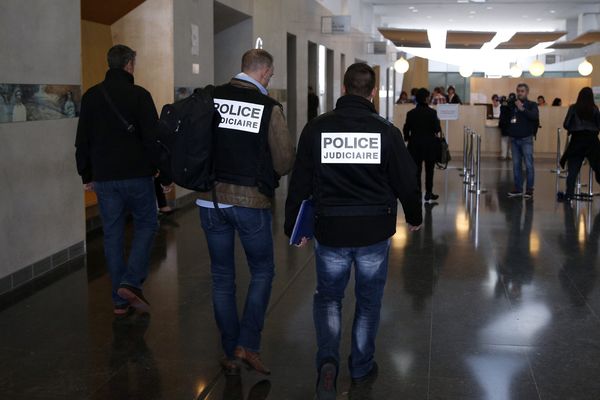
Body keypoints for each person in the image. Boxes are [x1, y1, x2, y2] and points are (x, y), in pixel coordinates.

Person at [284, 63, 422, 400]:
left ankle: (328, 363)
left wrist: (293, 226)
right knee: (369, 301)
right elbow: (406, 179)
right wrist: (414, 215)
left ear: (344, 89)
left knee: (329, 298)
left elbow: (300, 180)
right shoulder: (386, 131)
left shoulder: (316, 128)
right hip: (373, 231)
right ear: (372, 91)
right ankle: (360, 365)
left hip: (331, 229)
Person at [195, 49, 296, 376]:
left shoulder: (210, 98)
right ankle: (247, 344)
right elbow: (283, 160)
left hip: (210, 200)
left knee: (222, 277)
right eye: (270, 74)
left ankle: (230, 349)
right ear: (265, 72)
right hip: (251, 202)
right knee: (262, 271)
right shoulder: (269, 107)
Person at [75, 44, 169, 316]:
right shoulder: (140, 95)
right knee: (148, 224)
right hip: (137, 176)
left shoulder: (92, 97)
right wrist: (160, 170)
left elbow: (82, 140)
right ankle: (131, 281)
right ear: (129, 64)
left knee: (112, 234)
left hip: (104, 178)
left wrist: (86, 174)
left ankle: (119, 301)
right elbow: (153, 139)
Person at [559, 87, 600, 201]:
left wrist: (573, 128)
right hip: (592, 141)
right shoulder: (594, 109)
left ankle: (569, 195)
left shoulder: (573, 108)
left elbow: (566, 124)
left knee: (573, 170)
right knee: (598, 166)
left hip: (577, 141)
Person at [404, 88, 442, 202]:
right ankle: (429, 193)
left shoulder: (411, 113)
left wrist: (408, 138)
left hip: (415, 146)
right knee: (429, 170)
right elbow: (437, 129)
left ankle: (418, 193)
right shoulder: (432, 113)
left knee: (416, 170)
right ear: (426, 98)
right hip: (430, 146)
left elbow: (406, 129)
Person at [506, 83, 539, 198]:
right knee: (516, 165)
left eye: (522, 91)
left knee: (529, 165)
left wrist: (522, 109)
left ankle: (529, 189)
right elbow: (506, 117)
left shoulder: (532, 105)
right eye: (518, 91)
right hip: (514, 139)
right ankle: (518, 188)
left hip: (526, 139)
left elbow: (534, 116)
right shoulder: (513, 105)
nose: (520, 93)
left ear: (527, 92)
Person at [498, 94, 513, 161]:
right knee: (511, 141)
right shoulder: (514, 105)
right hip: (511, 125)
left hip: (505, 124)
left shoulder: (504, 105)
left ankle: (504, 155)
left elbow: (502, 115)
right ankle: (510, 155)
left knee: (504, 140)